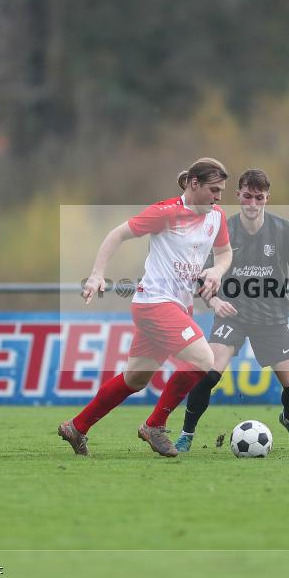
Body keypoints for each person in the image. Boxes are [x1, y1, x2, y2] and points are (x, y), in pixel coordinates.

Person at [57, 157, 233, 457]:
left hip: (179, 306)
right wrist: (98, 274)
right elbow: (117, 234)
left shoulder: (216, 218)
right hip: (154, 303)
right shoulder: (166, 212)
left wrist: (217, 271)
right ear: (194, 183)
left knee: (136, 378)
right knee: (204, 359)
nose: (218, 197)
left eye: (221, 191)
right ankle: (155, 425)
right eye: (213, 190)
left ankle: (77, 426)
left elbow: (225, 253)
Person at [174, 169, 289, 453]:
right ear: (238, 196)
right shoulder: (222, 229)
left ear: (267, 198)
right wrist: (215, 301)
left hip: (272, 319)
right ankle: (186, 434)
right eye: (247, 196)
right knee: (208, 373)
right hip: (232, 315)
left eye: (259, 197)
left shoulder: (282, 230)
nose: (252, 204)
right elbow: (201, 275)